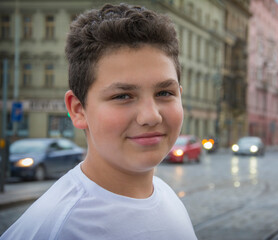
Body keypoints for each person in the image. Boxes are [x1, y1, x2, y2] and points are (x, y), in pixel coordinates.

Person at [0, 3, 197, 240]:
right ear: (78, 110)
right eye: (122, 96)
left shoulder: (167, 196)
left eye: (165, 93)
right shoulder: (56, 228)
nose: (151, 116)